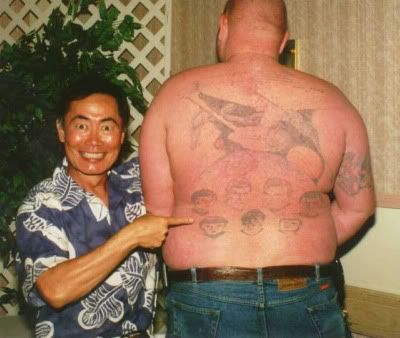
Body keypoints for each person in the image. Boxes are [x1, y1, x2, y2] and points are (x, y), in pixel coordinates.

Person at [139, 0, 376, 337]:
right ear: (283, 41)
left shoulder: (171, 97)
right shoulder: (335, 102)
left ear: (222, 27)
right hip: (305, 292)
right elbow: (359, 206)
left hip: (206, 293)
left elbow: (159, 216)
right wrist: (302, 237)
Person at [15, 74, 192, 338]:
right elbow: (55, 290)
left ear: (122, 136)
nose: (94, 142)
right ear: (61, 131)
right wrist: (132, 236)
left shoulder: (138, 185)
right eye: (82, 126)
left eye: (107, 128)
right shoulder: (41, 204)